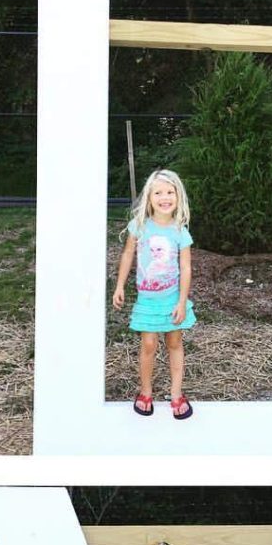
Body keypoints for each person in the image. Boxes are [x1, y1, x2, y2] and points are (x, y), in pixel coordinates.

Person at [112, 169, 196, 419]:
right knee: (148, 344)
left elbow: (186, 267)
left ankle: (176, 394)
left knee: (174, 342)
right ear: (149, 197)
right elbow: (128, 254)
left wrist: (182, 302)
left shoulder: (180, 231)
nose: (165, 197)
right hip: (147, 300)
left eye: (170, 192)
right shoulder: (139, 226)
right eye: (158, 192)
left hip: (172, 300)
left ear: (178, 197)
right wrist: (119, 285)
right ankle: (146, 392)